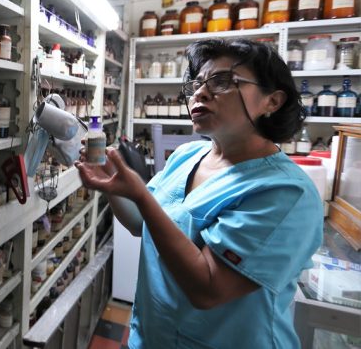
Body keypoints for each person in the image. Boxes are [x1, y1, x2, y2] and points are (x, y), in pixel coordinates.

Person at [75, 39, 323, 348]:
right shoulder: (188, 155)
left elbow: (207, 288)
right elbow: (141, 223)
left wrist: (140, 195)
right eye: (196, 84)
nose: (200, 94)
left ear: (271, 101)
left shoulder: (286, 193)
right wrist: (112, 186)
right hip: (153, 338)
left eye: (222, 81)